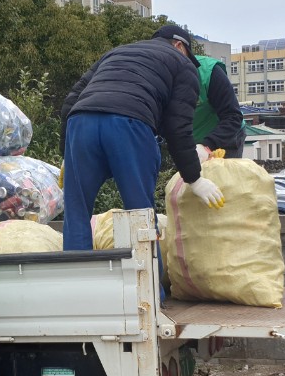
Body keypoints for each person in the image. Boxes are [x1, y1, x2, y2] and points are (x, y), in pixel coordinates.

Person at [59, 24, 224, 251]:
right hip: (129, 125)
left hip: (80, 123)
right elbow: (178, 127)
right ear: (179, 45)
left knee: (76, 212)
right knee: (140, 214)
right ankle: (150, 286)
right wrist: (194, 179)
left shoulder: (115, 53)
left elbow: (70, 101)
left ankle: (77, 284)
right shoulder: (183, 65)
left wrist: (67, 155)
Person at [191, 52, 245, 159]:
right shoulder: (156, 75)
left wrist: (206, 145)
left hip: (225, 134)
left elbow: (233, 117)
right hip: (192, 140)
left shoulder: (209, 72)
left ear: (179, 47)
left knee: (221, 173)